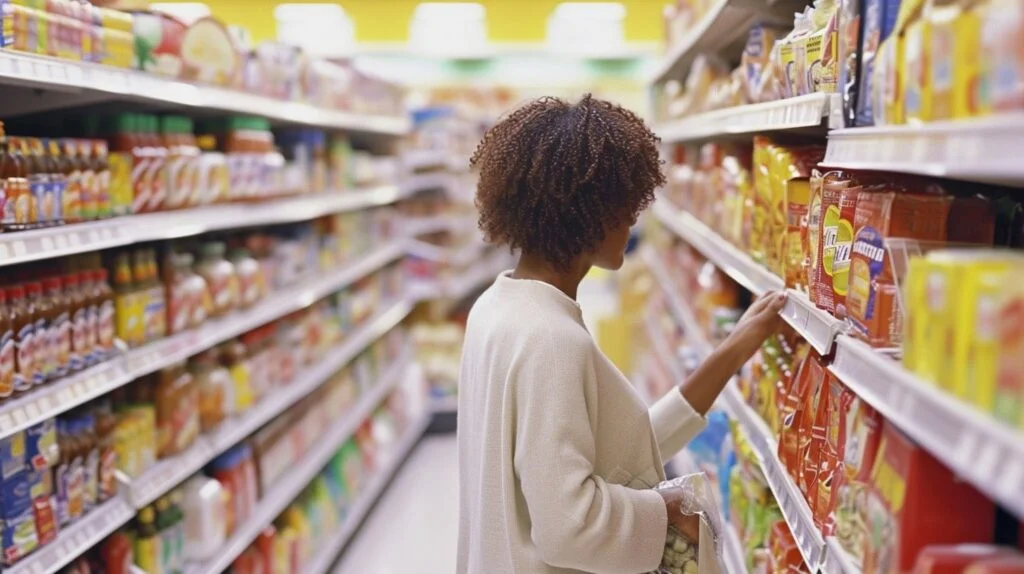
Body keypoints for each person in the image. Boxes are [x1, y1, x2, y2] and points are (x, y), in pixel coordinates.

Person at [457, 94, 786, 574]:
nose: (634, 216)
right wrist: (668, 511)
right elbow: (569, 526)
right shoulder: (552, 341)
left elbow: (607, 455)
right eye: (624, 203)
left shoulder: (497, 309)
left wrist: (734, 350)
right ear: (585, 211)